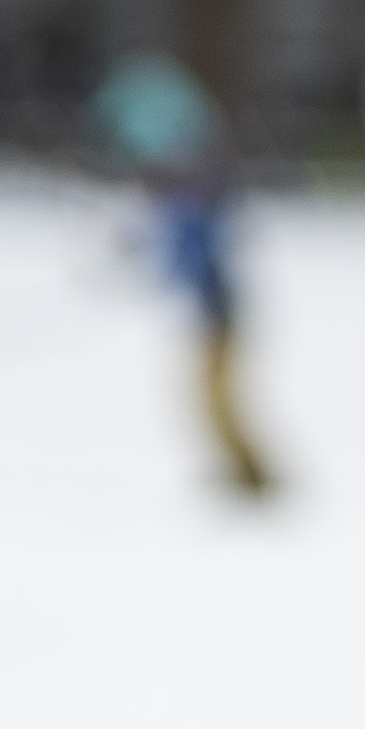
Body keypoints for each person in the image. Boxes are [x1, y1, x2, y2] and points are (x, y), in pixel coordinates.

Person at [93, 52, 272, 498]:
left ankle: (253, 477)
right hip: (217, 314)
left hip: (219, 316)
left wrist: (150, 267)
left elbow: (190, 251)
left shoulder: (196, 199)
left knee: (215, 397)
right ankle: (245, 473)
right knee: (208, 397)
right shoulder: (192, 198)